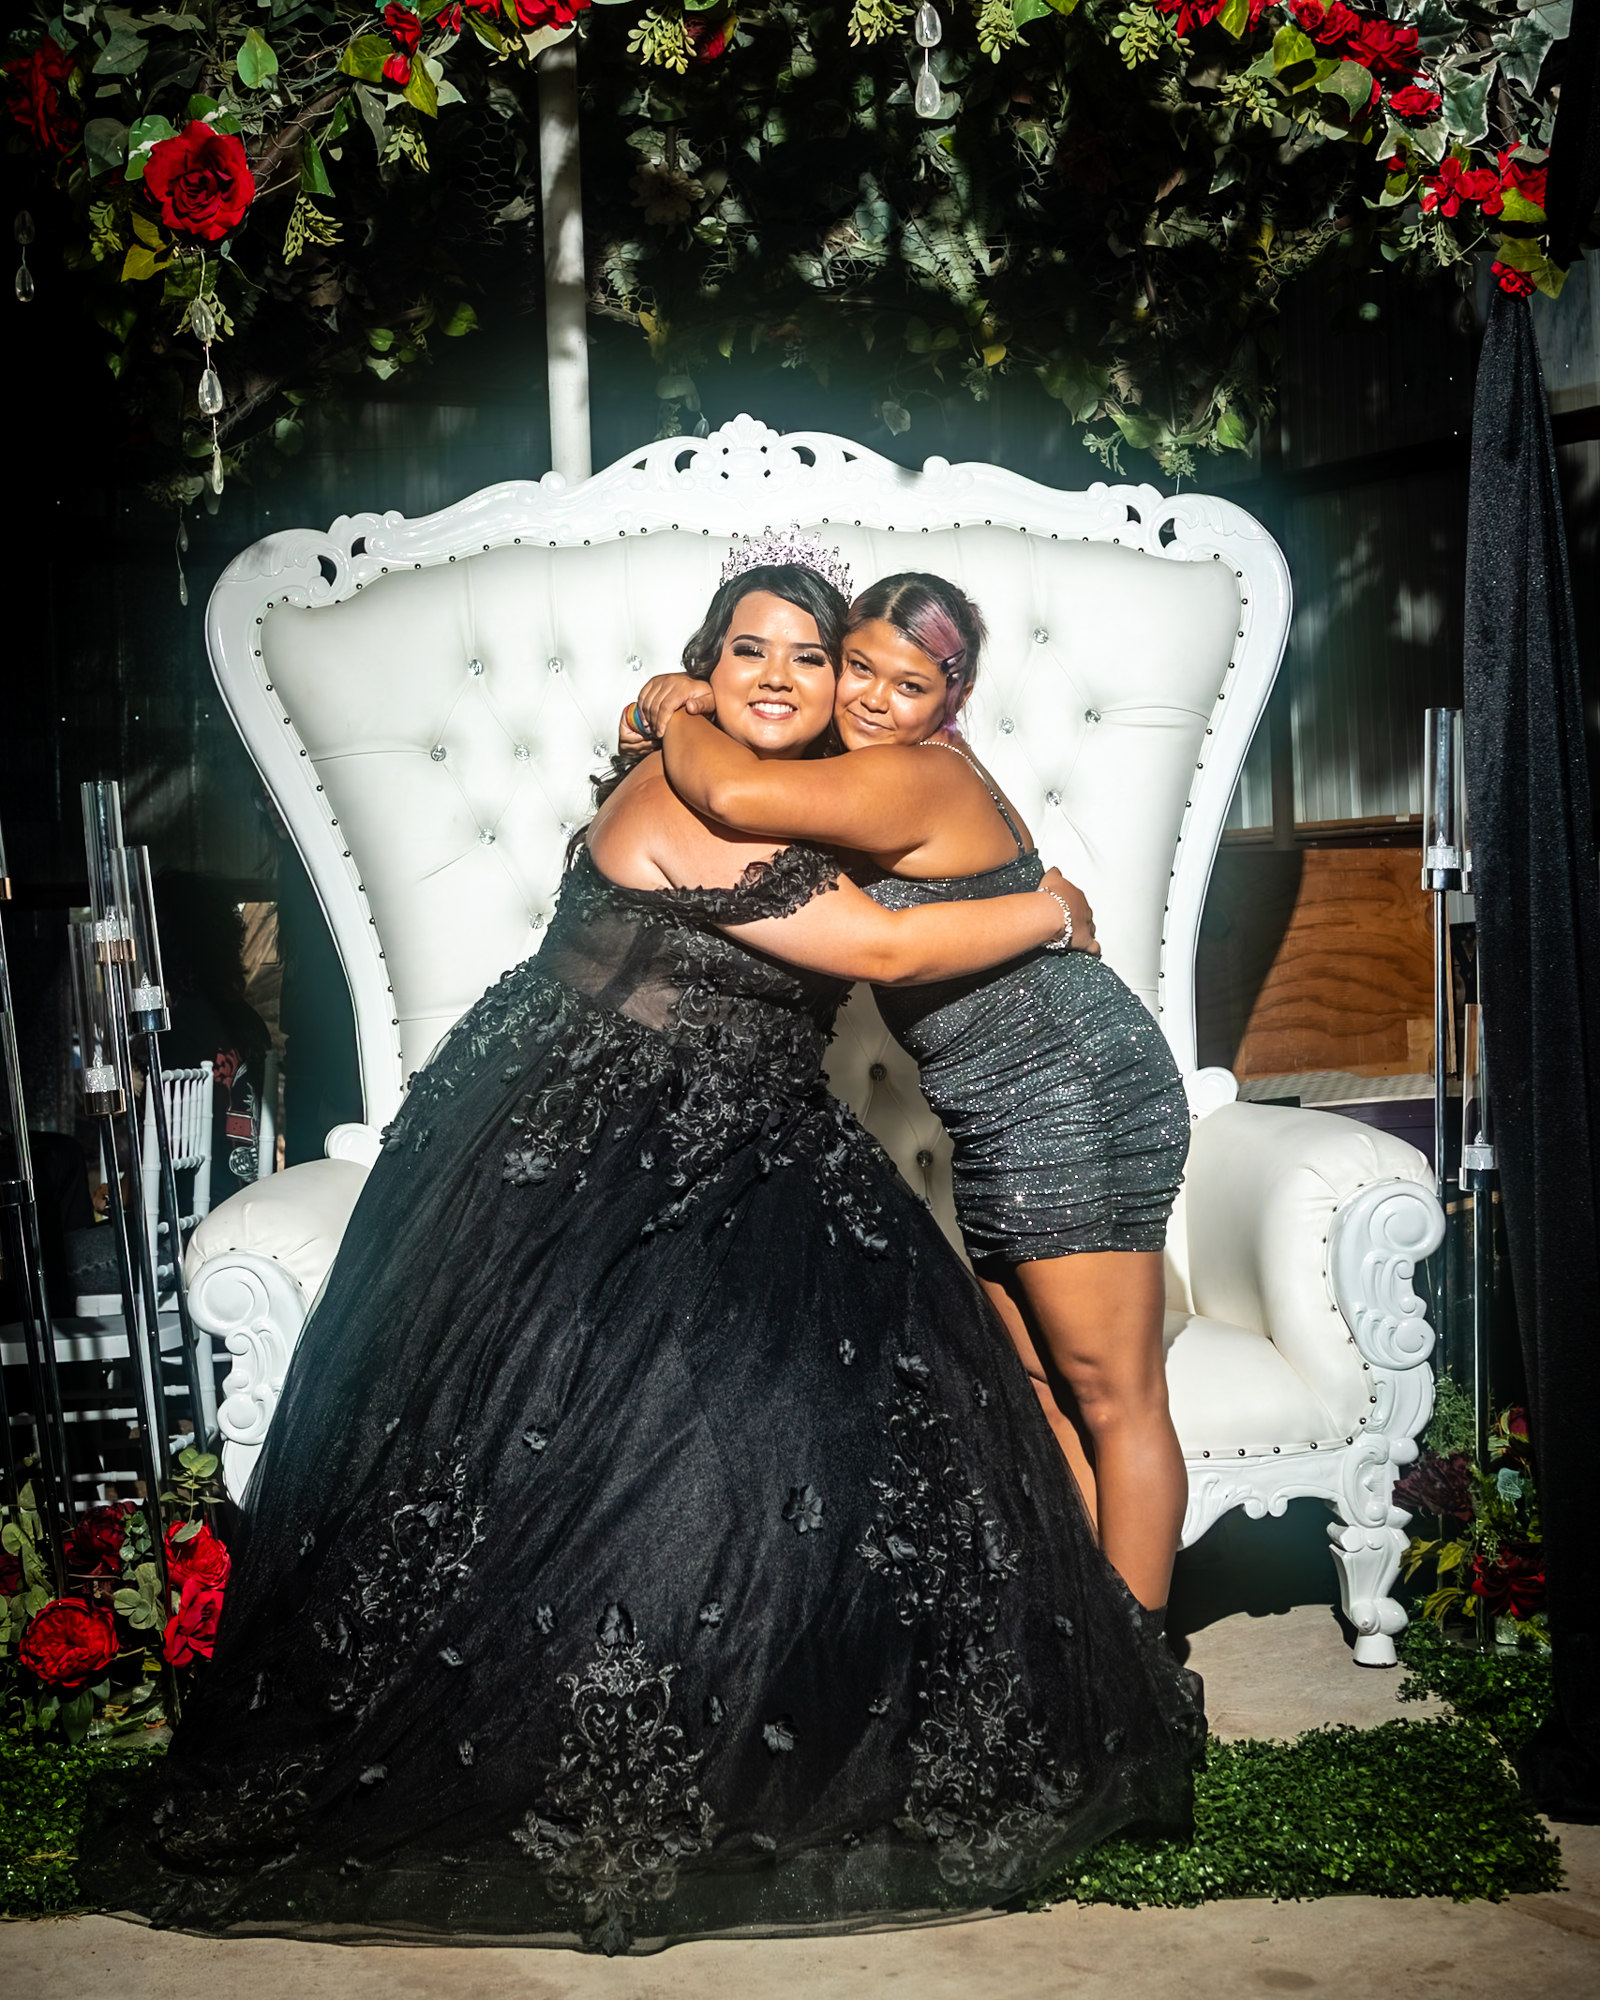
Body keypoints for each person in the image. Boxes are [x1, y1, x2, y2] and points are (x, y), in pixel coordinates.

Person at [82, 544, 1202, 1953]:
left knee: (880, 1406)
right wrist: (1047, 906)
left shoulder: (813, 771)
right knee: (672, 1434)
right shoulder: (702, 787)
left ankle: (1074, 1663)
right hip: (616, 1149)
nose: (794, 679)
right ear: (709, 661)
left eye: (822, 655)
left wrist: (662, 705)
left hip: (760, 1129)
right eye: (756, 651)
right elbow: (862, 935)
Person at [628, 572, 1191, 1622]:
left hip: (1069, 1085)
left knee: (1116, 1398)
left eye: (913, 683)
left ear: (950, 699)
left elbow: (738, 798)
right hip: (997, 1097)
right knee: (1044, 1392)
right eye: (860, 668)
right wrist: (668, 700)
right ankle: (1088, 1643)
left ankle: (1149, 1674)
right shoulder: (879, 767)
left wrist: (673, 706)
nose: (877, 699)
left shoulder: (914, 778)